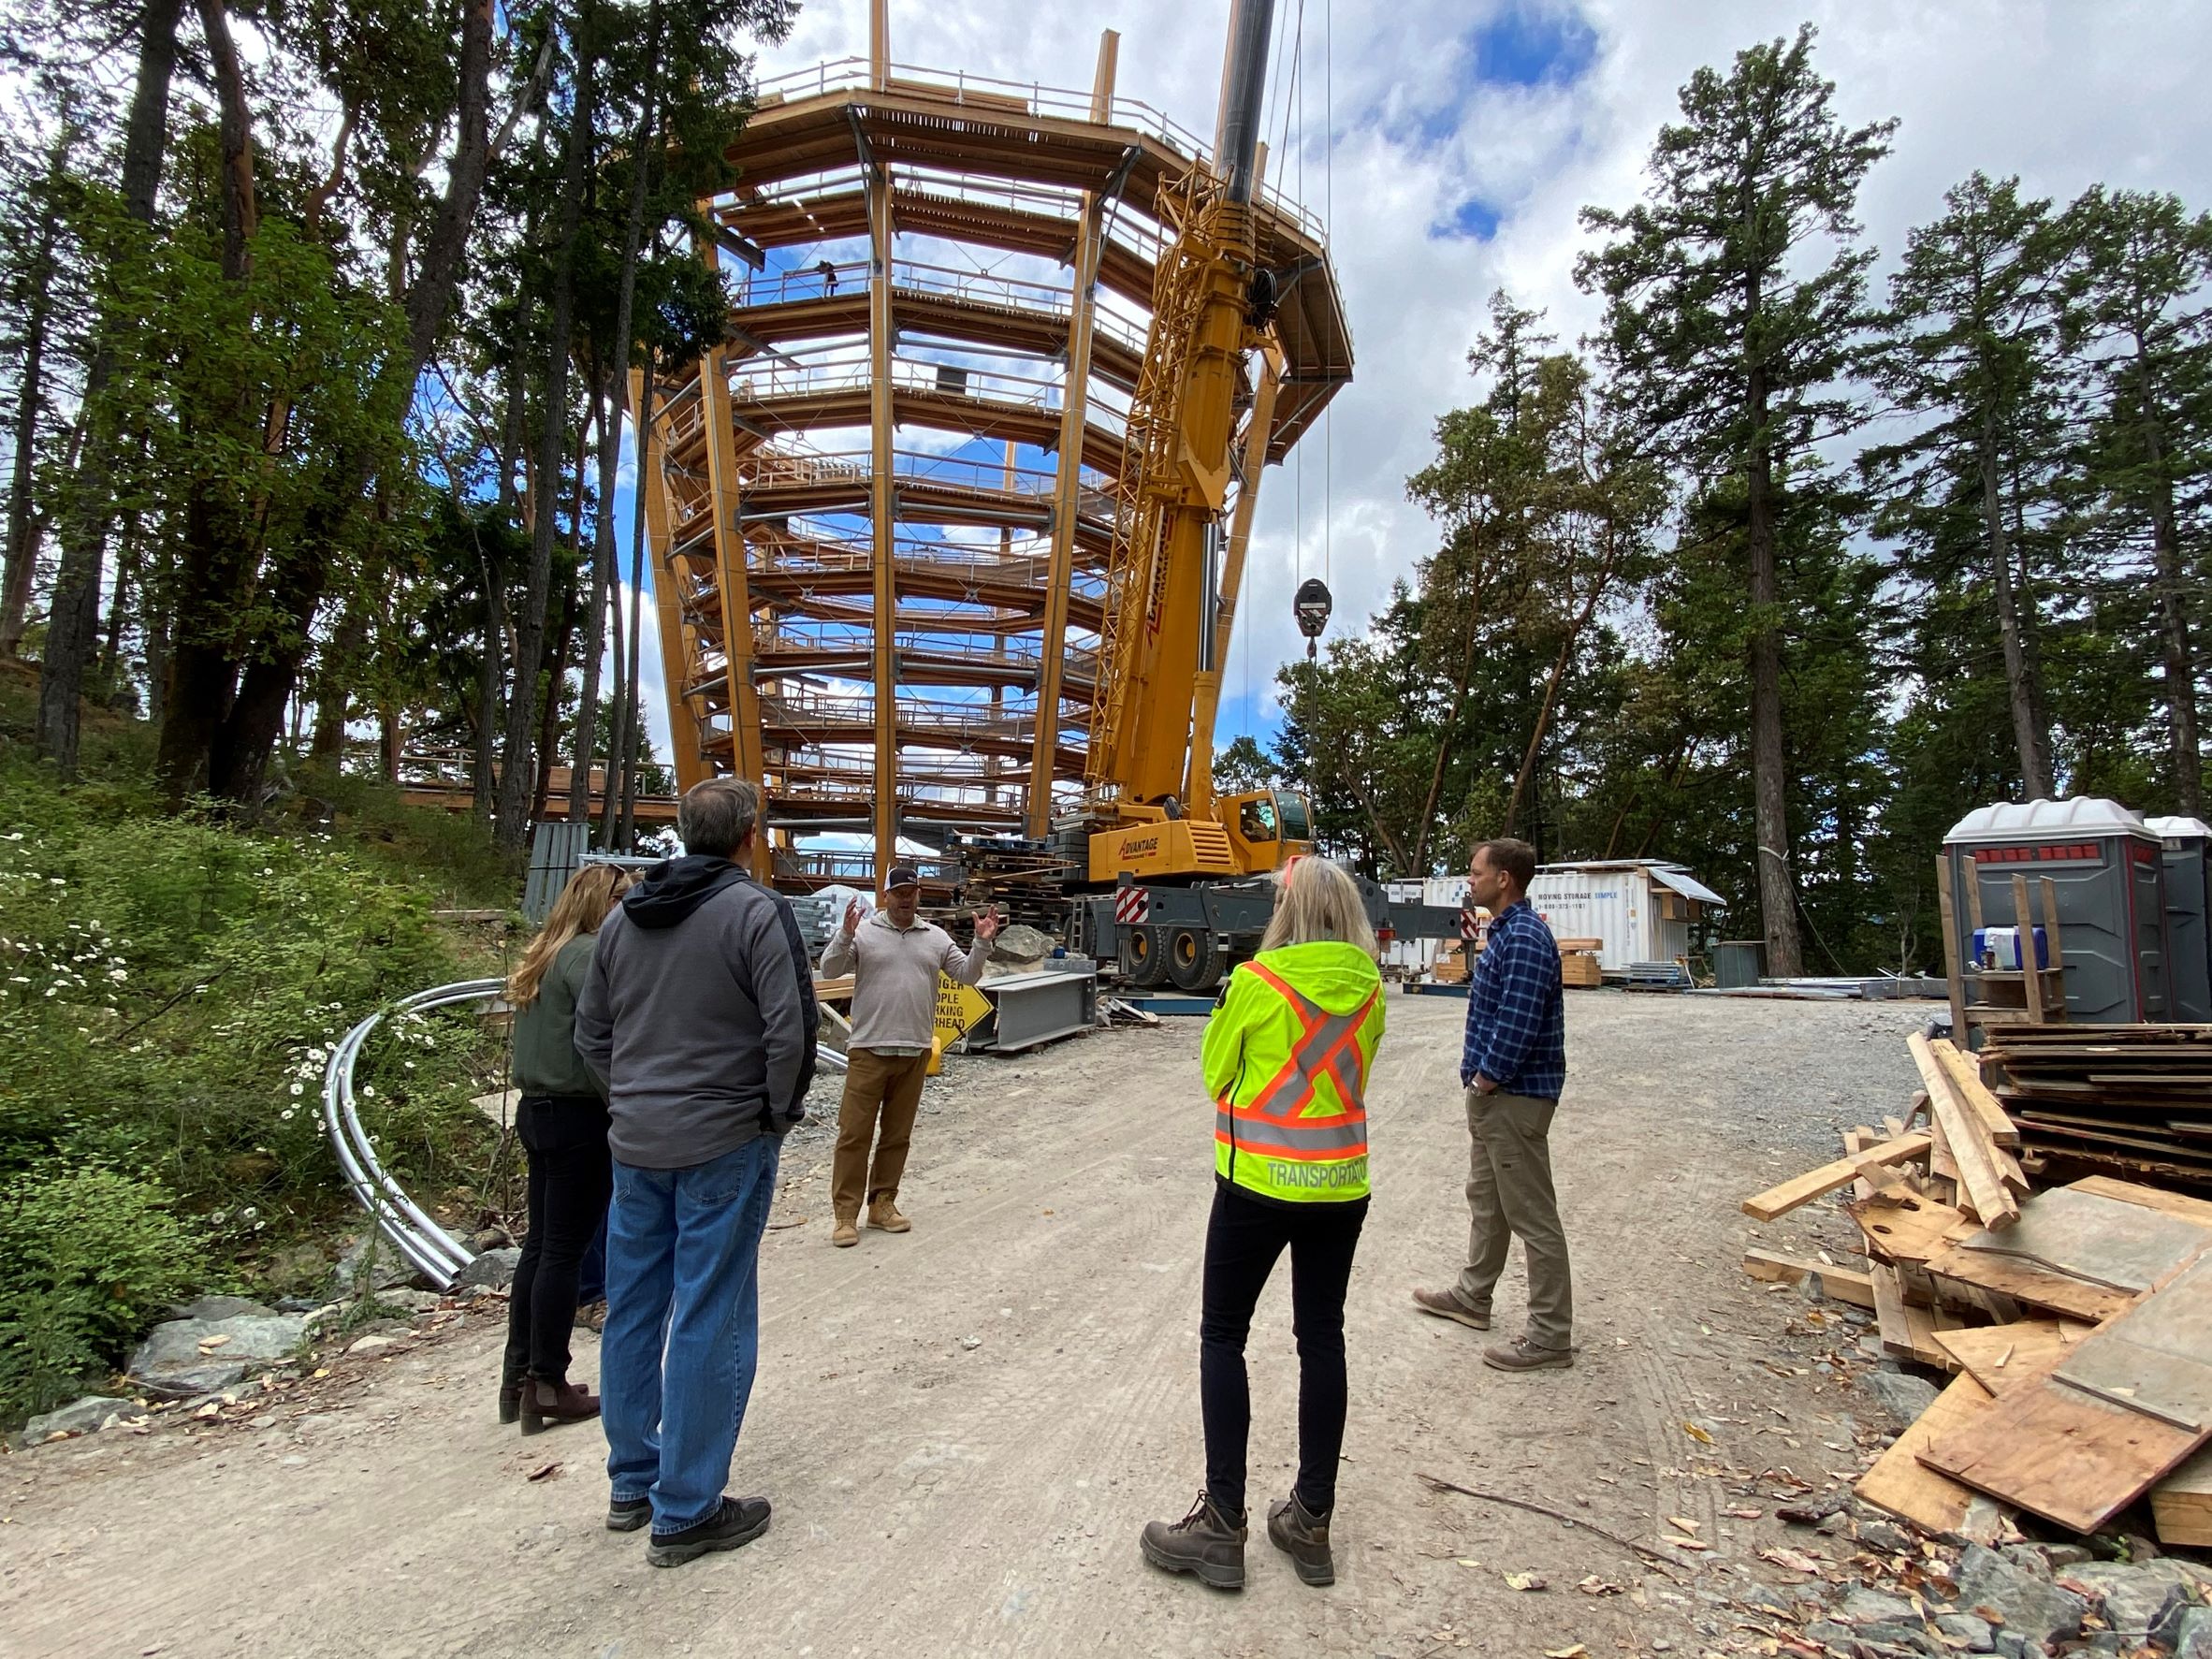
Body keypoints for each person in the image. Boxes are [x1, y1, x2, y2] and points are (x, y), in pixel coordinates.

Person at [575, 777, 818, 1567]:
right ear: (750, 834)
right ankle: (686, 1508)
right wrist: (771, 1117)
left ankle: (632, 1482)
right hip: (723, 1140)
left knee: (636, 1309)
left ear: (681, 833)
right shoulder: (756, 913)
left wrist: (634, 1102)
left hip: (637, 1146)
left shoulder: (622, 921)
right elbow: (793, 1029)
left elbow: (592, 1036)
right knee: (711, 1310)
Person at [1141, 855, 1387, 1593]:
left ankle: (1222, 1523)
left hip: (1255, 1187)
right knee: (1322, 1337)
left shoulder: (1254, 983)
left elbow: (1217, 1074)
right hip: (1340, 1188)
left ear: (1287, 911)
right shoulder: (1371, 991)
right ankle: (1310, 1520)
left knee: (1224, 1334)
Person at [1412, 837, 1573, 1371]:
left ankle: (1550, 1337)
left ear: (1504, 878)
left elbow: (1518, 1025)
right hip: (1496, 1096)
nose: (1470, 880)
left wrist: (1485, 1081)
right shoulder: (1504, 931)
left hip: (1513, 1096)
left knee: (1532, 1216)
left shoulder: (1524, 937)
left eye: (1476, 872)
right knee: (1489, 1200)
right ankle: (1473, 1296)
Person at [500, 864, 632, 1433]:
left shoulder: (543, 954)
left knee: (540, 1247)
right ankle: (548, 1381)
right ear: (601, 902)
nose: (629, 907)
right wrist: (623, 1103)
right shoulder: (588, 957)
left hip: (536, 1110)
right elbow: (599, 1037)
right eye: (623, 897)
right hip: (579, 1115)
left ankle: (518, 1379)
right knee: (564, 1252)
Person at [818, 866, 999, 1246]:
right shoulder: (865, 933)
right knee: (854, 1135)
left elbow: (966, 975)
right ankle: (846, 1215)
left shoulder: (934, 937)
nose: (905, 898)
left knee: (897, 1136)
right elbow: (829, 971)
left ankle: (882, 1204)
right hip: (869, 1049)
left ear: (919, 894)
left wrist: (981, 944)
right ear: (886, 895)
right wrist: (845, 934)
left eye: (911, 891)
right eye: (898, 891)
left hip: (914, 1050)